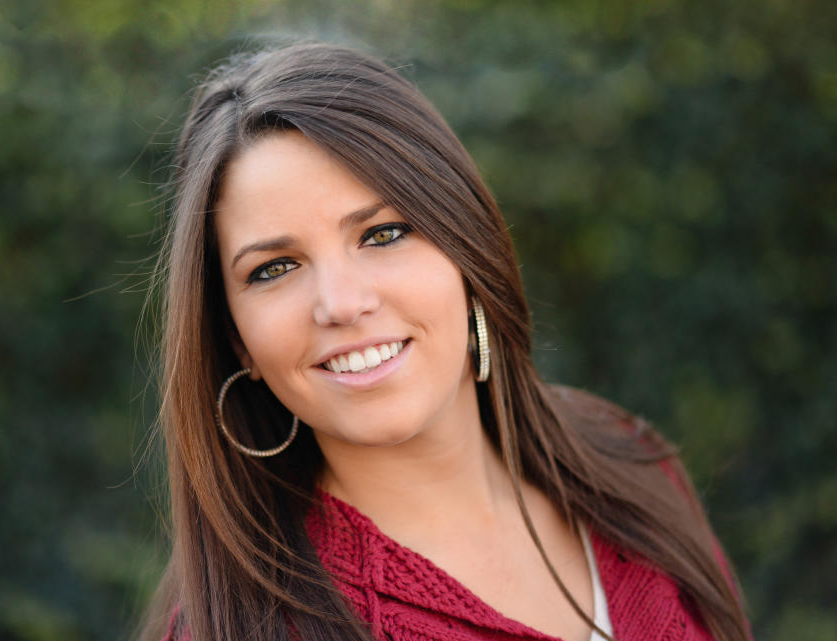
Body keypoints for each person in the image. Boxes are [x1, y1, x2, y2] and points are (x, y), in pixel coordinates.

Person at [137, 41, 753, 641]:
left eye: (382, 233)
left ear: (465, 244)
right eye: (274, 269)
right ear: (235, 336)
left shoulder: (631, 467)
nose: (343, 304)